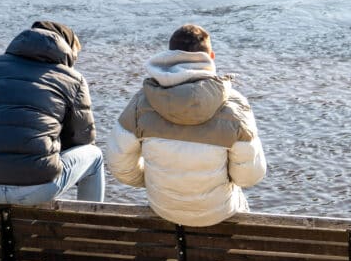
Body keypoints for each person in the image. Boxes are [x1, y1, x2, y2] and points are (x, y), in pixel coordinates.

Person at [106, 24, 266, 226]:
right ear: (211, 57)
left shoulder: (141, 104)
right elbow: (249, 177)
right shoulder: (234, 107)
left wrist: (154, 180)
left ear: (169, 56)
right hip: (219, 212)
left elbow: (120, 165)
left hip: (163, 208)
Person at [0, 20, 105, 204]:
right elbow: (81, 139)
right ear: (66, 49)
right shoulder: (73, 80)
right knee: (94, 156)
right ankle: (89, 220)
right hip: (38, 189)